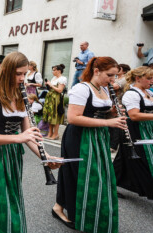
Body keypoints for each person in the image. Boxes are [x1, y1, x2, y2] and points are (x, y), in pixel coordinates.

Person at [0, 52, 60, 233]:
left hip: (13, 156)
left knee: (12, 199)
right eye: (18, 74)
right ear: (7, 71)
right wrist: (18, 138)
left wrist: (46, 156)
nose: (22, 78)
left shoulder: (22, 97)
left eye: (24, 74)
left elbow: (27, 134)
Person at [52, 57, 125, 233]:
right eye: (110, 75)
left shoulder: (104, 89)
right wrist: (109, 122)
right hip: (80, 137)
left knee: (96, 174)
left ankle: (90, 210)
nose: (112, 80)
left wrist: (113, 112)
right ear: (96, 71)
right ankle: (59, 208)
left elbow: (100, 113)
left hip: (97, 136)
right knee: (76, 173)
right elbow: (74, 118)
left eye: (115, 76)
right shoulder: (81, 88)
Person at [113, 66, 153, 200]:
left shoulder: (148, 92)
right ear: (138, 78)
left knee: (123, 160)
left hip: (147, 129)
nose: (151, 81)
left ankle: (111, 182)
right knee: (141, 159)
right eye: (149, 78)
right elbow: (134, 115)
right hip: (134, 130)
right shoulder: (131, 94)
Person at [109, 64, 131, 152]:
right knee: (111, 124)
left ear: (124, 71)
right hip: (112, 102)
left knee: (117, 125)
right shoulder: (116, 78)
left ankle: (113, 146)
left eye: (119, 68)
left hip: (119, 102)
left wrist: (109, 82)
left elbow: (115, 86)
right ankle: (110, 143)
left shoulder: (124, 79)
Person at [43, 64, 67, 140]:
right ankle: (50, 133)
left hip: (56, 99)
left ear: (59, 71)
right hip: (50, 97)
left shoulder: (62, 78)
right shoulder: (54, 78)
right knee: (50, 115)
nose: (52, 71)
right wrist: (48, 85)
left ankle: (56, 134)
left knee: (55, 116)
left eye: (54, 70)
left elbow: (60, 90)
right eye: (52, 70)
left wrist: (51, 85)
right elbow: (51, 88)